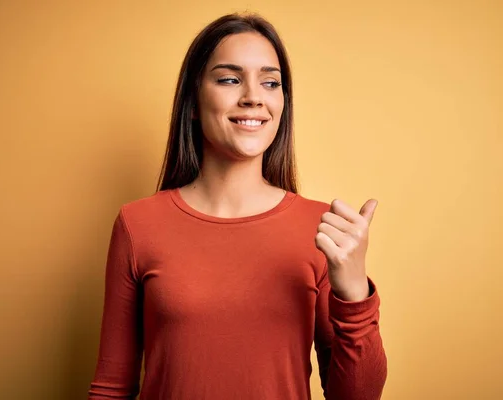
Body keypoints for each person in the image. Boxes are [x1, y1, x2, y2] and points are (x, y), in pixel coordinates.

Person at [88, 12, 387, 400]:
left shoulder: (321, 229)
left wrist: (354, 292)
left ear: (282, 104)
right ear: (193, 102)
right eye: (229, 79)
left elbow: (357, 397)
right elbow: (111, 389)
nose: (253, 96)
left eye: (270, 82)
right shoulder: (137, 224)